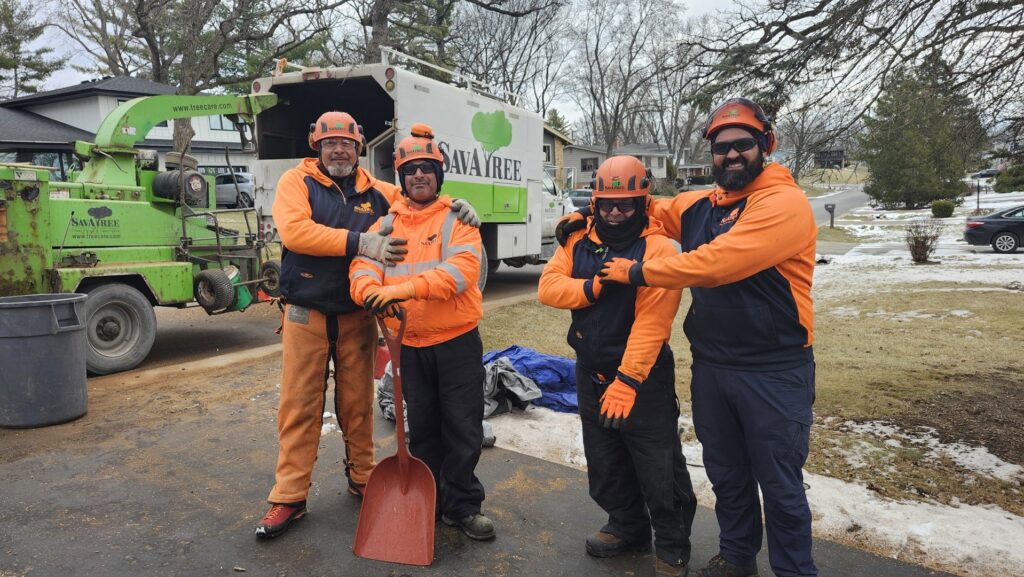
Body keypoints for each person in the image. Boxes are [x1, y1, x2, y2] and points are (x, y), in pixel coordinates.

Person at [594, 98, 818, 577]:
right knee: (727, 473)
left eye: (743, 144)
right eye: (721, 147)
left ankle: (795, 571)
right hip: (713, 365)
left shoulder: (783, 203)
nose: (732, 155)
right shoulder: (702, 206)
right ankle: (736, 559)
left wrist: (639, 271)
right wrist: (586, 218)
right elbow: (643, 208)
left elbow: (718, 264)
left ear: (765, 144)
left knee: (779, 485)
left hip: (774, 370)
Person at [255, 112, 479, 539]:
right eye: (330, 144)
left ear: (359, 148)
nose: (339, 151)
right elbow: (296, 233)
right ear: (317, 147)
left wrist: (462, 207)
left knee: (357, 404)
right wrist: (361, 242)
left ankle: (363, 477)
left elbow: (420, 201)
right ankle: (289, 496)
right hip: (305, 311)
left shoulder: (379, 191)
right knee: (300, 405)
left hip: (358, 314)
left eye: (347, 143)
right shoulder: (296, 183)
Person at [538, 155, 697, 577]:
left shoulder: (658, 250)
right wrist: (592, 287)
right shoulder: (579, 239)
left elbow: (652, 324)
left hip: (642, 379)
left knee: (658, 467)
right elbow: (548, 287)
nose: (614, 213)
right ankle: (627, 527)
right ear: (594, 201)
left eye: (625, 204)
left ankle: (672, 546)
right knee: (605, 462)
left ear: (643, 202)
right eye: (606, 204)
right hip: (590, 371)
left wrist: (628, 381)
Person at [350, 123, 494, 541]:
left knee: (463, 428)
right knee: (424, 429)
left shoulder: (458, 220)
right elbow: (361, 268)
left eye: (427, 169)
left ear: (439, 173)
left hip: (455, 343)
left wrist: (399, 290)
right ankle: (430, 500)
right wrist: (368, 291)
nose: (418, 176)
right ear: (401, 176)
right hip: (409, 346)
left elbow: (460, 273)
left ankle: (463, 506)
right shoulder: (384, 225)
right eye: (410, 170)